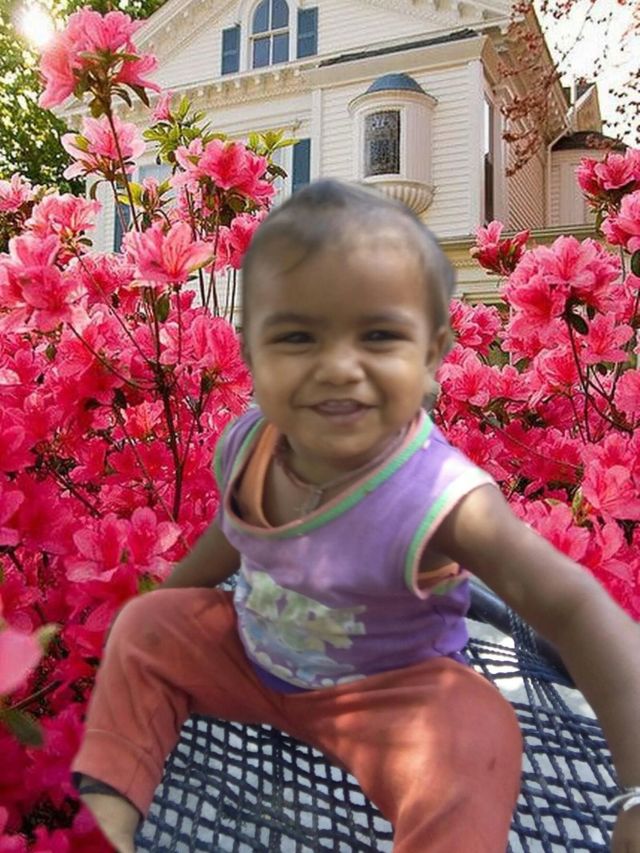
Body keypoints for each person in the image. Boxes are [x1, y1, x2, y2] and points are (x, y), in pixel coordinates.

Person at [72, 179, 640, 853]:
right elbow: (236, 531)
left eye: (378, 335)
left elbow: (574, 609)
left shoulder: (442, 496)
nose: (339, 367)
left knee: (476, 731)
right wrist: (171, 607)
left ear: (431, 357)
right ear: (251, 354)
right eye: (297, 336)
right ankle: (108, 821)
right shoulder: (248, 443)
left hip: (392, 702)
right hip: (251, 660)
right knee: (146, 625)